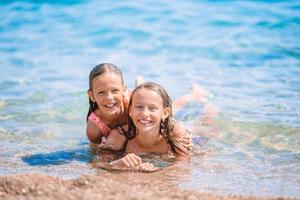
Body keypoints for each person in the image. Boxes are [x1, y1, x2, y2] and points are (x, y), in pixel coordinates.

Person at [94, 82, 194, 171]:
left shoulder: (174, 132)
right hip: (158, 120)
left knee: (203, 123)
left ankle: (194, 93)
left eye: (152, 108)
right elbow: (97, 163)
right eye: (139, 107)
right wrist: (115, 164)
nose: (145, 113)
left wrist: (159, 170)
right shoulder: (120, 135)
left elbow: (183, 163)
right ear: (130, 111)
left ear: (164, 113)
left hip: (173, 124)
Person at [86, 63, 128, 149]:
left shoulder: (133, 104)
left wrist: (119, 132)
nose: (109, 98)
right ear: (92, 95)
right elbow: (94, 155)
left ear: (123, 91)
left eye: (115, 90)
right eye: (101, 92)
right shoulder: (94, 129)